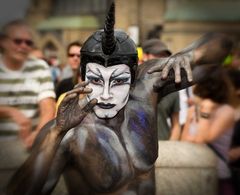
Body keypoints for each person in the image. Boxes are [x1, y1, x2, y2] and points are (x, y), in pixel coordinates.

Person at [5, 3, 233, 195]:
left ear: (134, 77)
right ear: (82, 76)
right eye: (95, 80)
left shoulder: (146, 89)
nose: (105, 94)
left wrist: (191, 54)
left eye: (118, 82)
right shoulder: (68, 133)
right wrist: (55, 134)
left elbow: (221, 49)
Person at [0, 20, 56, 148]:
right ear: (3, 41)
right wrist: (10, 112)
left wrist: (38, 134)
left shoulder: (40, 67)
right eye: (18, 41)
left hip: (27, 145)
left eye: (28, 43)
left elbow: (48, 108)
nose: (24, 46)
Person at [180, 67, 236, 195]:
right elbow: (183, 143)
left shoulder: (226, 111)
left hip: (217, 176)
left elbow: (201, 139)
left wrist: (206, 111)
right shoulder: (193, 110)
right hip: (193, 174)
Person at [142, 38, 181, 140]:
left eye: (164, 56)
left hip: (164, 147)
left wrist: (171, 147)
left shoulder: (172, 89)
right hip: (136, 149)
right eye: (157, 55)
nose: (162, 59)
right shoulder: (131, 85)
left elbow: (176, 124)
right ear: (145, 56)